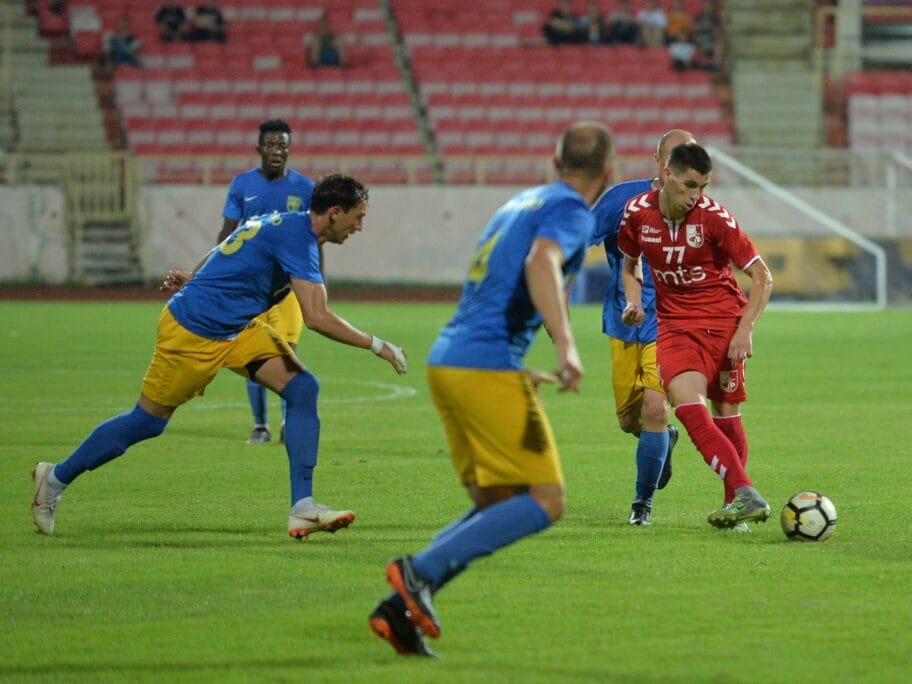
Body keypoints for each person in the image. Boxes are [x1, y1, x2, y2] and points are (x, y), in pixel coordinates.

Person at [30, 173, 409, 539]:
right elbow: (316, 317)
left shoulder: (285, 223)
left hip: (236, 329)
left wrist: (194, 277)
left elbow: (226, 244)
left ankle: (303, 507)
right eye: (358, 217)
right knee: (146, 422)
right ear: (335, 213)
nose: (359, 227)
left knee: (303, 388)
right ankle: (56, 478)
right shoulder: (300, 239)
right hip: (193, 332)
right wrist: (378, 345)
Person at [369, 122, 614, 657]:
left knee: (496, 501)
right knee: (546, 501)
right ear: (609, 173)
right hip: (484, 365)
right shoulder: (572, 211)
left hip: (449, 361)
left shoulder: (518, 203)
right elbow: (541, 262)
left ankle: (399, 610)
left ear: (554, 159)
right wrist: (566, 347)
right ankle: (418, 573)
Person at [617, 142, 774, 530]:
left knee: (726, 413)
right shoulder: (637, 215)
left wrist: (745, 330)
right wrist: (633, 301)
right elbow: (630, 263)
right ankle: (744, 491)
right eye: (690, 185)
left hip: (723, 324)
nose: (696, 196)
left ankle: (734, 506)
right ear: (667, 175)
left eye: (702, 187)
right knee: (689, 406)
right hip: (675, 327)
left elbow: (762, 277)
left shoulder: (715, 218)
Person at [589, 129, 695, 526]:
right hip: (623, 323)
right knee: (629, 421)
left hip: (670, 324)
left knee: (655, 407)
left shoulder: (699, 209)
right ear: (659, 163)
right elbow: (577, 241)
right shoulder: (621, 200)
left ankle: (641, 504)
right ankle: (663, 441)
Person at [217, 119, 316, 445]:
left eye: (283, 144)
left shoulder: (304, 189)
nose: (277, 150)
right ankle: (261, 425)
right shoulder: (242, 185)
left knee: (287, 354)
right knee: (253, 355)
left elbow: (314, 239)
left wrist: (316, 284)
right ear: (259, 149)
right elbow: (226, 234)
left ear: (290, 149)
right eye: (271, 144)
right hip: (250, 288)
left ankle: (288, 423)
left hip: (288, 288)